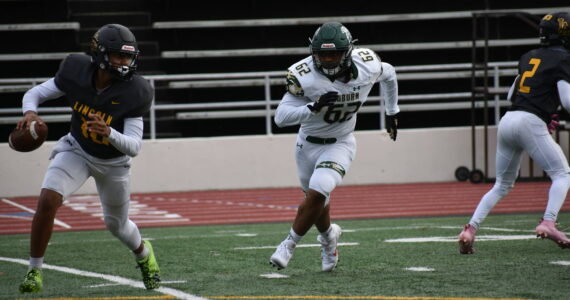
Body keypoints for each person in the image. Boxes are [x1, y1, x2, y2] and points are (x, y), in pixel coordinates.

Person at [17, 24, 160, 293]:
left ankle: (143, 254)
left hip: (114, 163)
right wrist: (30, 112)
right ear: (100, 53)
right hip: (77, 150)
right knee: (48, 199)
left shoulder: (135, 91)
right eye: (118, 55)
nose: (124, 62)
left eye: (128, 56)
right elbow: (35, 93)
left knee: (116, 225)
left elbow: (134, 146)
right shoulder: (77, 70)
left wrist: (109, 133)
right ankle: (34, 271)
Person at [269, 22, 399, 271]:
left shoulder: (367, 65)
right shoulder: (303, 75)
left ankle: (288, 245)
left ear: (347, 52)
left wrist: (392, 111)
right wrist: (312, 107)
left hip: (340, 142)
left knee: (319, 190)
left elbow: (389, 73)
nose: (327, 60)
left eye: (334, 54)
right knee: (316, 202)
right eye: (322, 54)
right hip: (306, 145)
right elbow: (281, 117)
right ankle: (329, 238)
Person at [458, 12, 570, 254]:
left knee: (501, 184)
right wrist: (548, 111)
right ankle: (548, 222)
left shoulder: (528, 56)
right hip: (530, 121)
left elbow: (511, 95)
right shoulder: (563, 58)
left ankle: (470, 229)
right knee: (562, 174)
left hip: (508, 119)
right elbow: (567, 101)